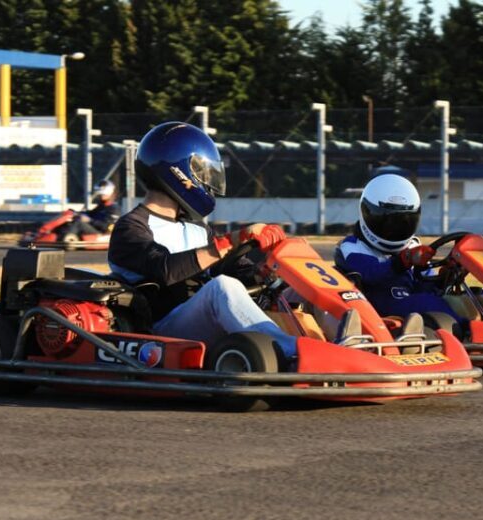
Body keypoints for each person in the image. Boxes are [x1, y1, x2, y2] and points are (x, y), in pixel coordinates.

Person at [108, 122, 328, 359]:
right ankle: (294, 353)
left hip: (203, 322)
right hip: (162, 333)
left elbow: (232, 267)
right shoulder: (131, 228)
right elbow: (165, 268)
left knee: (302, 286)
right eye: (202, 173)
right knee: (221, 287)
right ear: (178, 171)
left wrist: (271, 267)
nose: (207, 181)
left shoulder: (197, 228)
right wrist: (232, 240)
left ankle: (353, 347)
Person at [334, 174, 483, 325]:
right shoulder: (352, 247)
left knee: (476, 295)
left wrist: (443, 278)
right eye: (388, 223)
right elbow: (370, 273)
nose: (395, 229)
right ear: (367, 213)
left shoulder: (413, 246)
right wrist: (403, 261)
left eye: (403, 222)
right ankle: (470, 332)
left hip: (411, 303)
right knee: (428, 302)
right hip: (379, 307)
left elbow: (422, 284)